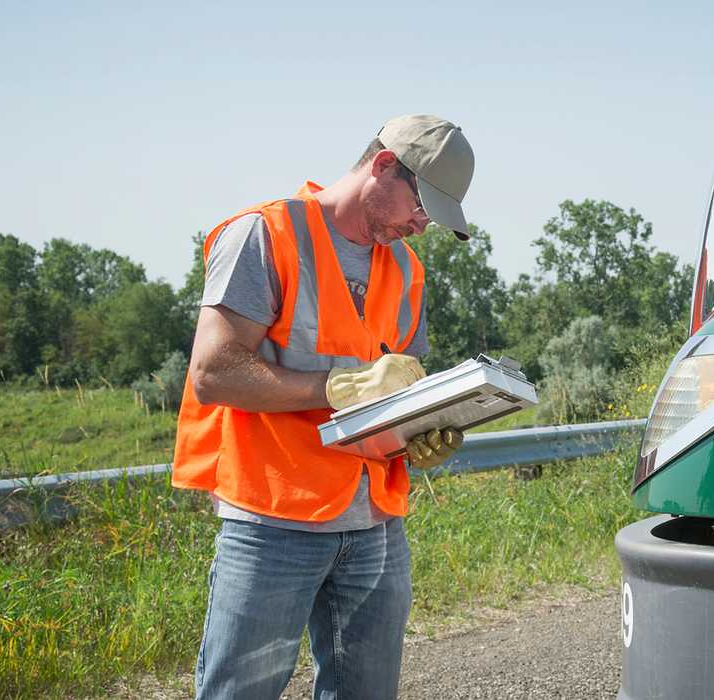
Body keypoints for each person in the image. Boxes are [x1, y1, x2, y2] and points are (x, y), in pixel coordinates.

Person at [171, 114, 474, 699]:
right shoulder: (265, 235)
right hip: (273, 520)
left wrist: (421, 429)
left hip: (375, 524)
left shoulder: (408, 271)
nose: (421, 224)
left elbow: (394, 388)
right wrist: (334, 387)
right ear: (384, 165)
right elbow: (213, 374)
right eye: (422, 205)